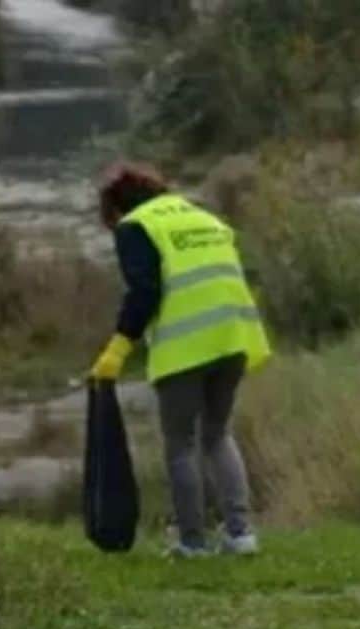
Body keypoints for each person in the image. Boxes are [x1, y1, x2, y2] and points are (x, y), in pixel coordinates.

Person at [90, 163, 271, 558]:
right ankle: (241, 535)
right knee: (218, 434)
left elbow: (145, 291)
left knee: (180, 444)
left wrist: (120, 346)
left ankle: (192, 542)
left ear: (117, 208)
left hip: (186, 343)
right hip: (234, 336)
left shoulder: (136, 227)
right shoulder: (202, 216)